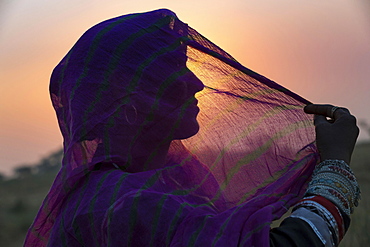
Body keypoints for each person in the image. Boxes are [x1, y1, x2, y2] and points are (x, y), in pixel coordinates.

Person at [24, 9, 360, 246]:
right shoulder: (128, 204)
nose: (197, 83)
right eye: (172, 73)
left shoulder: (148, 183)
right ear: (128, 110)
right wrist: (336, 166)